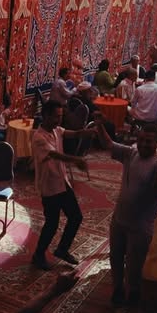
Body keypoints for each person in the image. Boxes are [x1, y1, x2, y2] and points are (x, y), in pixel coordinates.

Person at [93, 122, 157, 307]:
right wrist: (100, 125)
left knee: (134, 264)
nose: (143, 144)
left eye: (148, 141)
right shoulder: (131, 153)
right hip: (119, 219)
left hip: (140, 227)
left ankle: (133, 292)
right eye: (140, 140)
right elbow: (108, 144)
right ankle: (117, 289)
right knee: (116, 257)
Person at [31, 101, 97, 270]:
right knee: (52, 224)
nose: (58, 120)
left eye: (60, 116)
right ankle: (38, 255)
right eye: (55, 116)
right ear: (45, 116)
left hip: (62, 182)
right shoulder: (39, 137)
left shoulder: (56, 130)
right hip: (50, 186)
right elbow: (54, 154)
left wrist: (87, 132)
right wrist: (76, 160)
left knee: (76, 217)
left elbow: (72, 134)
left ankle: (62, 249)